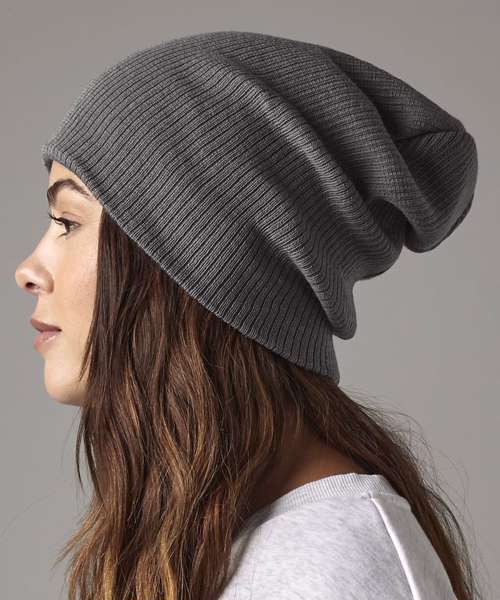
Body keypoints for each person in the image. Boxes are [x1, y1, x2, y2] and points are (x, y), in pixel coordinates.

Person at [15, 31, 482, 600]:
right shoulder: (222, 537)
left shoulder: (332, 570)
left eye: (68, 221)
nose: (27, 270)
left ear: (206, 264)